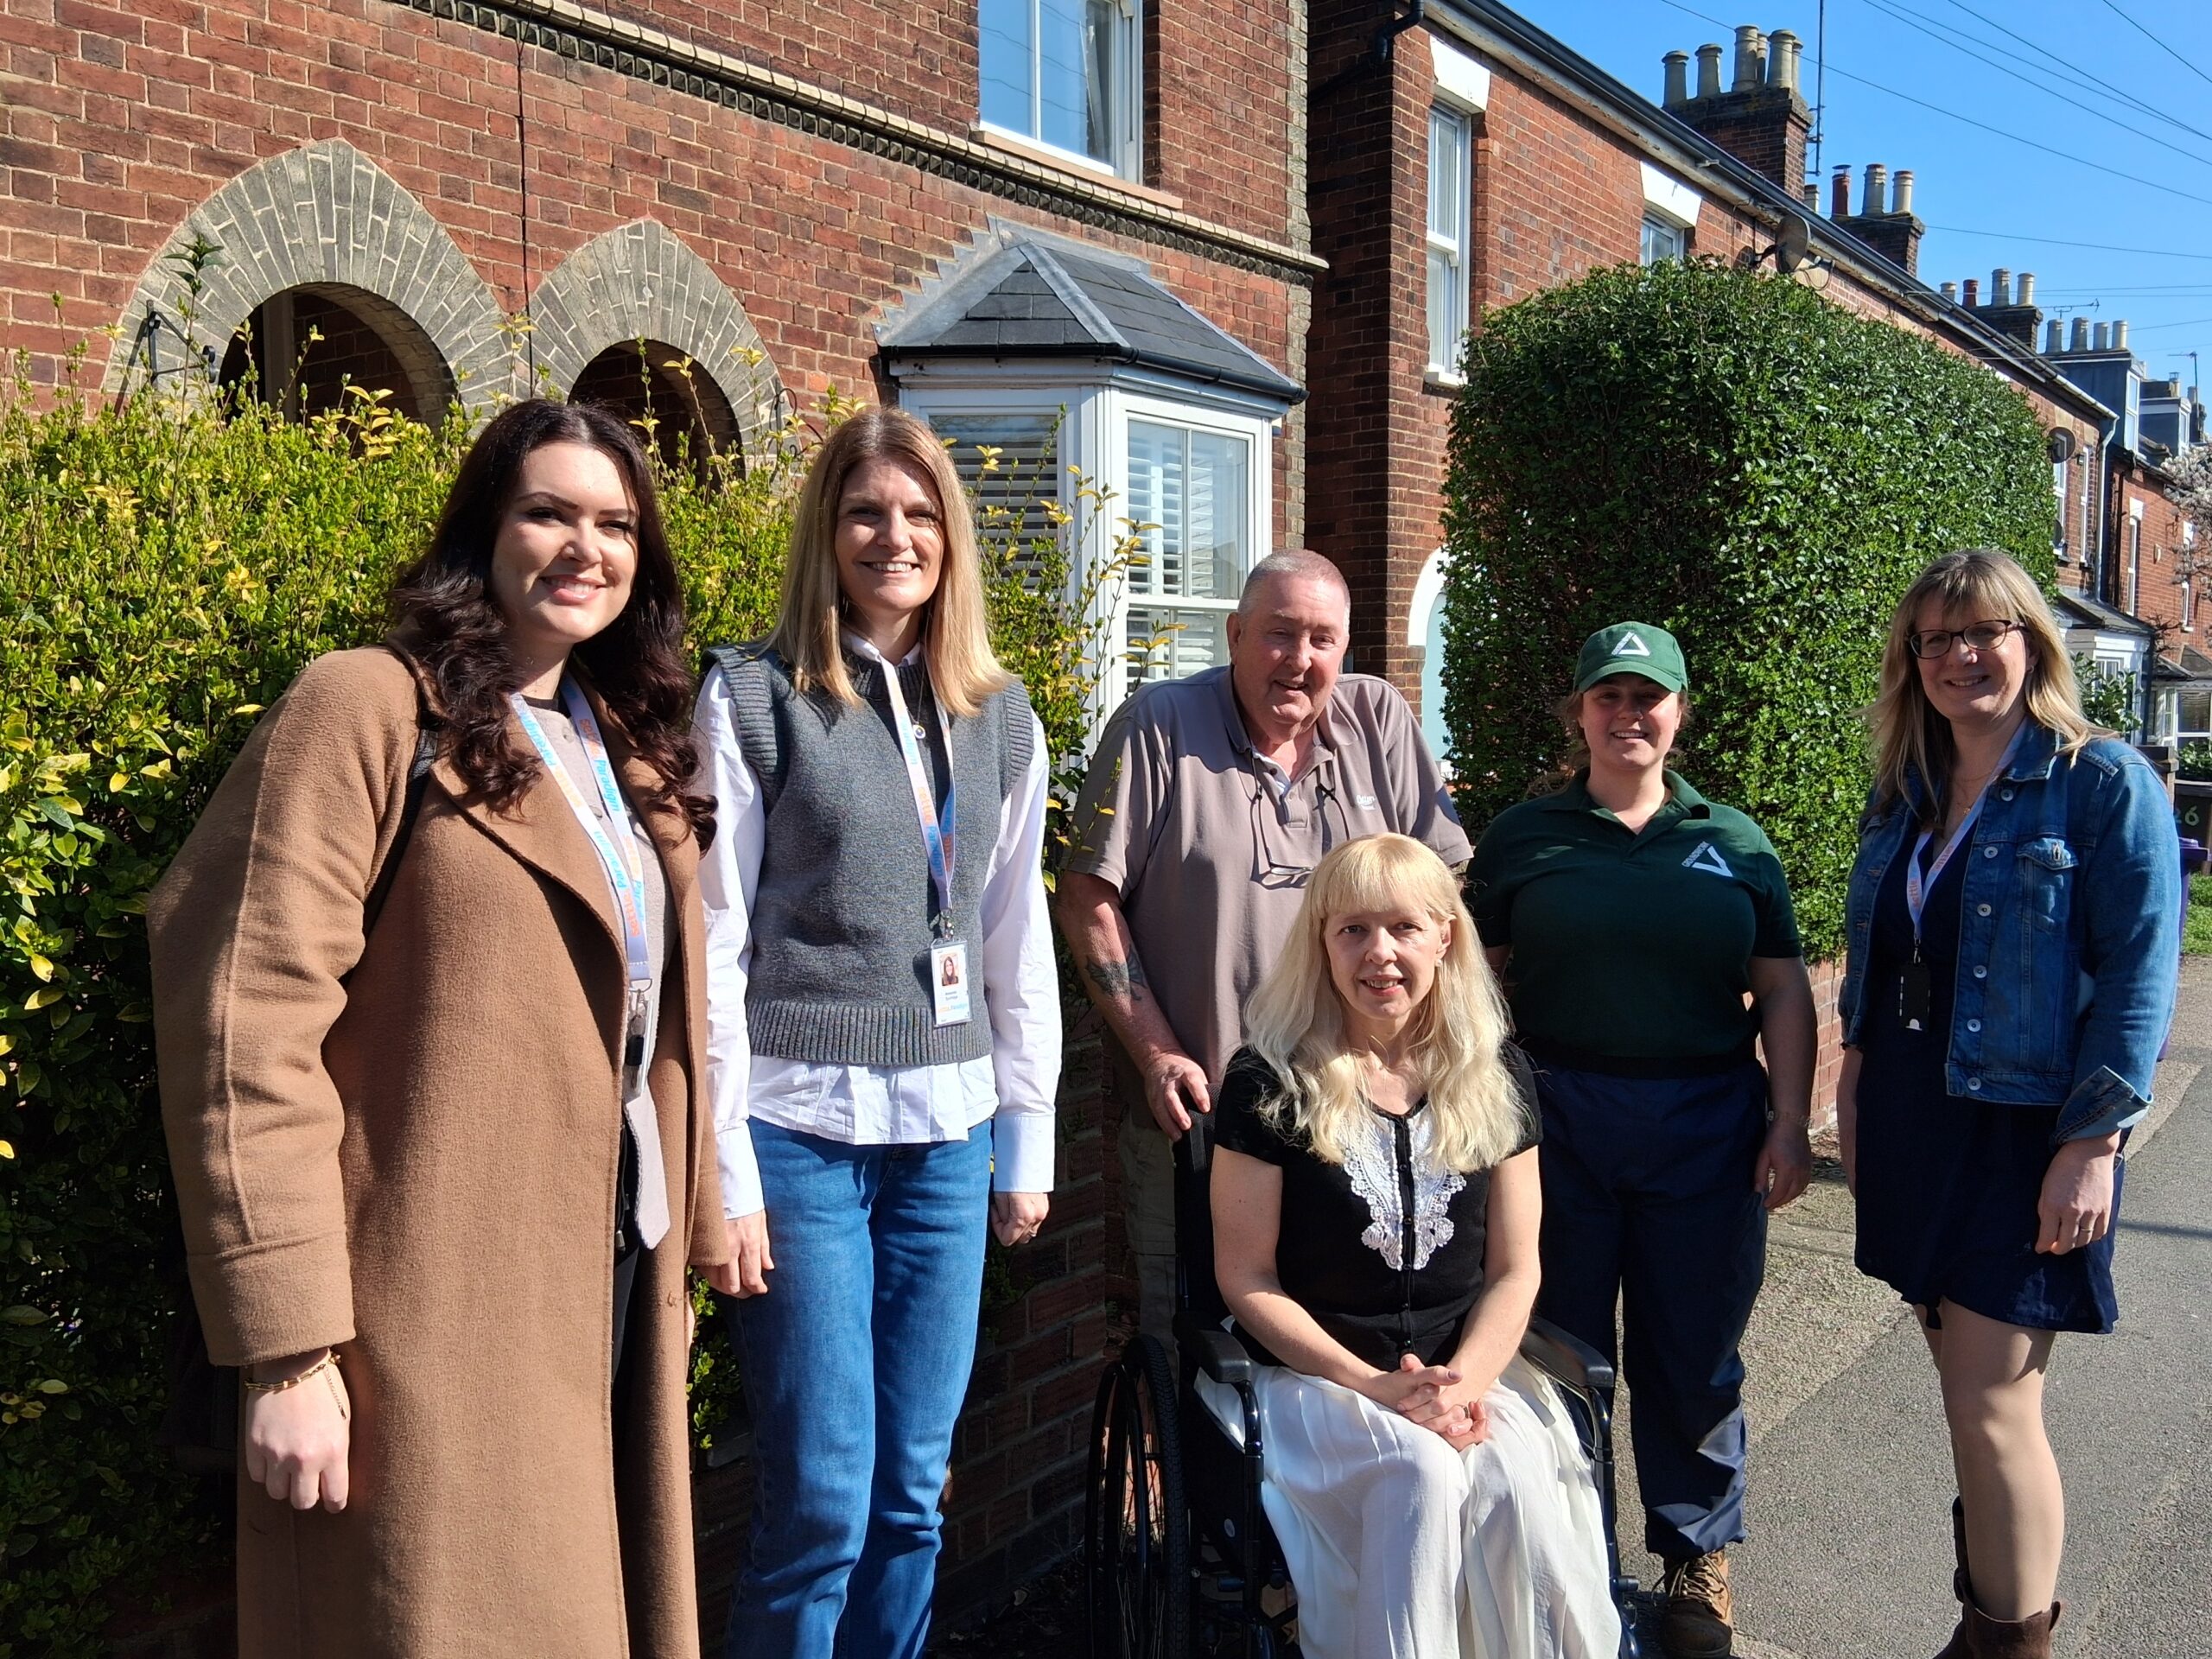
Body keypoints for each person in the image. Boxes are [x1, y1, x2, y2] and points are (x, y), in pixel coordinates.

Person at [149, 398, 729, 1658]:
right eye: (550, 513)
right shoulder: (366, 708)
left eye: (618, 524)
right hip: (418, 1302)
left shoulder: (620, 746)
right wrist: (288, 1347)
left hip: (606, 1272)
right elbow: (243, 1023)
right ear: (483, 532)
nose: (587, 548)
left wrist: (708, 1201)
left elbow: (667, 1016)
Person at [693, 405, 1059, 1659]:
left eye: (916, 514)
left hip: (949, 1143)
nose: (892, 536)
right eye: (865, 512)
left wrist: (1029, 1143)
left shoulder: (1004, 719)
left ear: (950, 537)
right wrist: (723, 1174)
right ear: (826, 532)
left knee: (911, 1498)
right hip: (799, 1138)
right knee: (821, 1503)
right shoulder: (752, 696)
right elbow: (714, 945)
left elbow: (1016, 941)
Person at [1839, 550, 2177, 1659]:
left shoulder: (2100, 780)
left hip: (2022, 1130)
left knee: (1996, 1406)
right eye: (1933, 640)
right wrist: (1849, 1074)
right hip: (1911, 1118)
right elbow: (1878, 957)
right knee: (1962, 1395)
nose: (1958, 658)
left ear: (2031, 642)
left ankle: (2011, 1643)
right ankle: (1984, 1620)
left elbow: (2137, 976)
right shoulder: (1908, 796)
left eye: (1982, 631)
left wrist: (2093, 1144)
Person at [1464, 621, 1815, 1659]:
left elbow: (1782, 990)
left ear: (1679, 712)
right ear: (1578, 713)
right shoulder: (1525, 836)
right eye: (1607, 697)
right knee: (1556, 1351)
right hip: (1556, 1119)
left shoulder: (1737, 841)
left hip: (1705, 1120)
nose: (1628, 714)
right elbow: (1472, 982)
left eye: (1647, 697)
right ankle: (1569, 1548)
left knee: (1690, 1350)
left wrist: (1789, 1121)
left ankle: (1693, 1556)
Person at [1205, 834, 1621, 1658]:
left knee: (1510, 1483)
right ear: (1321, 945)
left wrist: (1460, 1388)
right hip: (1315, 1383)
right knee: (1419, 1476)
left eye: (1403, 928)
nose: (1380, 954)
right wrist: (1373, 1386)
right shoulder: (1269, 1079)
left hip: (1467, 1373)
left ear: (1446, 938)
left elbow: (1515, 1268)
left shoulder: (1493, 1073)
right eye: (1352, 930)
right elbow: (1244, 1275)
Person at [1059, 550, 1470, 1349]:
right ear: (1236, 633)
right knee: (1196, 1351)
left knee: (1350, 1347)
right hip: (1205, 1118)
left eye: (1323, 639)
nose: (1301, 659)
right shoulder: (1160, 727)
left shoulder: (1378, 720)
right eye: (1279, 634)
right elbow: (1087, 899)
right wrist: (1155, 1055)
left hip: (1359, 1122)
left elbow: (1442, 894)